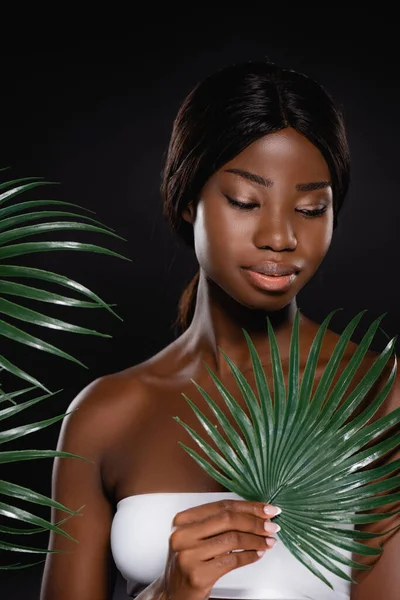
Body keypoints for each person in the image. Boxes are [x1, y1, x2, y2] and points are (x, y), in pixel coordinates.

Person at [39, 60, 399, 600]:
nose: (280, 236)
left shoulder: (374, 394)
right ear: (189, 200)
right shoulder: (105, 415)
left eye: (310, 207)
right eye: (244, 202)